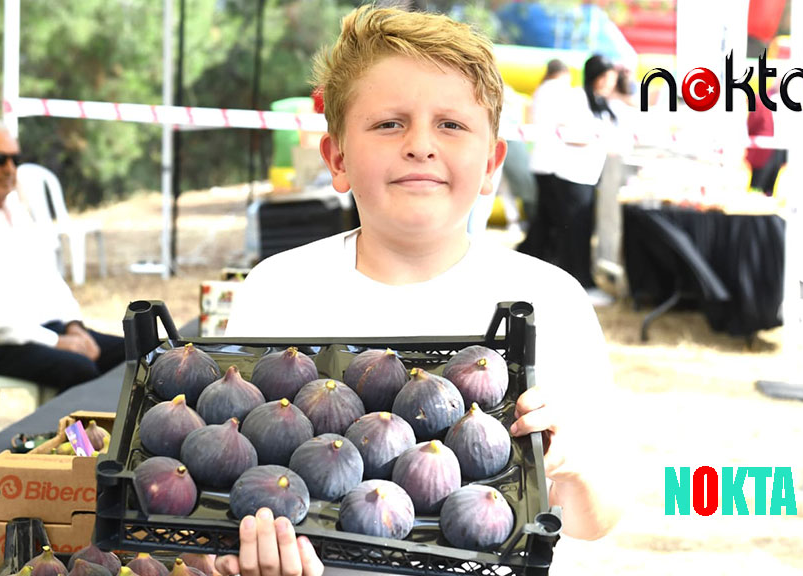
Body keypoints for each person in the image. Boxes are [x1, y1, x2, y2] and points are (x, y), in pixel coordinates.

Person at [219, 7, 621, 576]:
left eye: (451, 125)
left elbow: (598, 517)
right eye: (389, 124)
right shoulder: (277, 290)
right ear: (337, 158)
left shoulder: (551, 299)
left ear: (491, 165)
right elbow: (234, 478)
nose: (420, 145)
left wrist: (572, 467)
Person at [0, 119, 124, 392]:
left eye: (15, 159)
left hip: (43, 330)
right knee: (80, 367)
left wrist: (74, 326)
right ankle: (77, 423)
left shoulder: (14, 209)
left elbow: (49, 276)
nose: (9, 168)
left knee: (134, 353)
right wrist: (57, 342)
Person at [545, 54, 621, 305]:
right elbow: (564, 132)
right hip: (572, 177)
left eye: (612, 79)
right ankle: (580, 284)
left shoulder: (601, 101)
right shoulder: (577, 98)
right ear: (595, 76)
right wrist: (594, 137)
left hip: (588, 177)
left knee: (582, 232)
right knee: (574, 235)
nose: (610, 83)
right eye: (606, 78)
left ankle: (580, 282)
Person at [520, 58, 572, 263]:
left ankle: (533, 251)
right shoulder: (560, 90)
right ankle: (539, 252)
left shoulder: (540, 90)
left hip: (540, 159)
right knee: (552, 214)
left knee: (544, 212)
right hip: (554, 161)